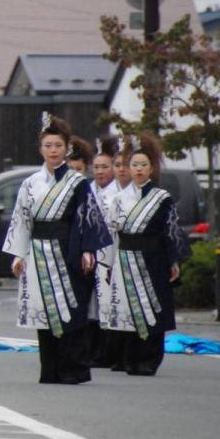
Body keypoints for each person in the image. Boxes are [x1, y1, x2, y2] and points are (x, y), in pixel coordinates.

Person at [3, 114, 110, 385]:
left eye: (58, 146)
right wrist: (18, 254)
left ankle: (73, 369)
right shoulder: (30, 183)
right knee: (44, 309)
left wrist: (88, 250)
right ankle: (50, 370)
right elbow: (22, 219)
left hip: (67, 249)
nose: (53, 151)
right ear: (41, 148)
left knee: (71, 307)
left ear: (67, 148)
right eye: (48, 145)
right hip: (38, 250)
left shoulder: (77, 183)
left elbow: (87, 218)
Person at [107, 133, 190, 376]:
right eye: (134, 164)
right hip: (125, 256)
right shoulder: (119, 199)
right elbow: (111, 234)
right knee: (128, 307)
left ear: (151, 168)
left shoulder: (161, 198)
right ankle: (130, 358)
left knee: (152, 306)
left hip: (153, 257)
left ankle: (149, 359)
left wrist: (173, 260)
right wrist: (108, 263)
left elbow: (171, 231)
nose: (139, 169)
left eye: (143, 164)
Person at [89, 136, 121, 369]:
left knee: (110, 301)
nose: (100, 172)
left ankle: (110, 351)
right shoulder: (88, 190)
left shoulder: (117, 194)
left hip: (110, 251)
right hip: (91, 253)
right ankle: (93, 349)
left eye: (104, 167)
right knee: (92, 304)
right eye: (96, 167)